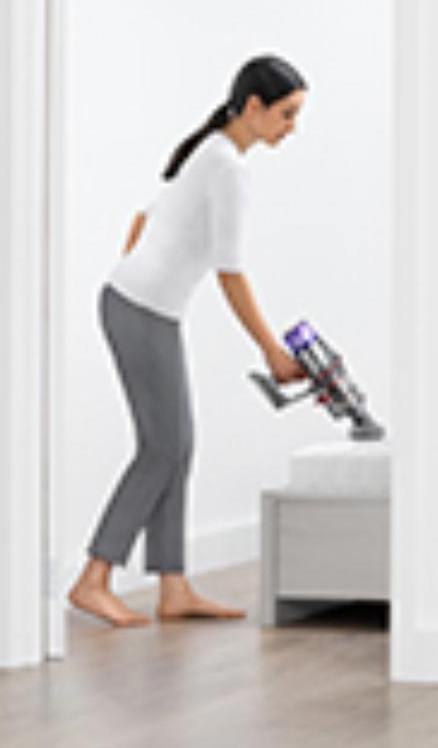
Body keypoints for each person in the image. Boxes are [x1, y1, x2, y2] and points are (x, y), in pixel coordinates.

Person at [69, 54, 310, 630]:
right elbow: (231, 270)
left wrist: (141, 274)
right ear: (253, 108)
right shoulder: (228, 167)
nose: (291, 128)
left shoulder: (210, 151)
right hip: (141, 311)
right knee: (162, 448)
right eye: (286, 114)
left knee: (178, 445)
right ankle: (93, 578)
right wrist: (272, 351)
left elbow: (143, 217)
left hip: (144, 306)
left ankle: (172, 585)